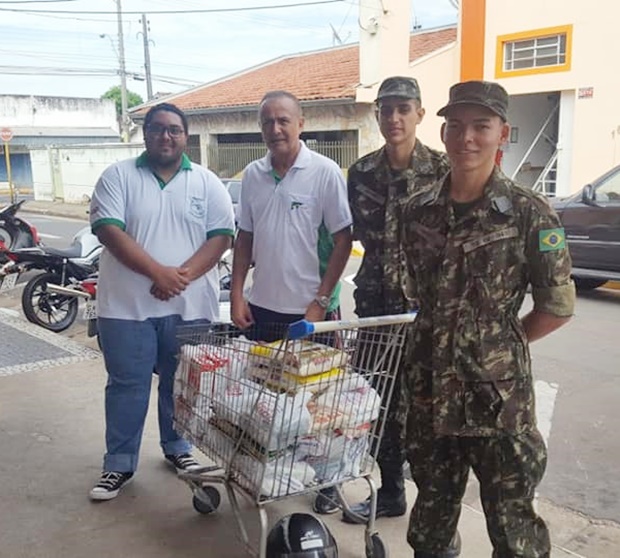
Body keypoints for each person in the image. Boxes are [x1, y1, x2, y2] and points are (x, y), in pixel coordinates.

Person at [400, 81, 576, 557]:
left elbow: (557, 306)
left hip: (497, 403)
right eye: (455, 126)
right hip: (428, 395)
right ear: (443, 132)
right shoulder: (418, 210)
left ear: (503, 132)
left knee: (514, 529)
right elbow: (416, 292)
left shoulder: (529, 214)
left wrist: (498, 345)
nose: (467, 138)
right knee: (430, 527)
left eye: (481, 126)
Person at [88, 102, 235, 501]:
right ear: (145, 133)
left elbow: (221, 237)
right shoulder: (118, 176)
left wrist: (178, 277)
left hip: (190, 308)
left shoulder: (207, 182)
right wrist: (159, 273)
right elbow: (109, 231)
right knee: (126, 386)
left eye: (174, 129)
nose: (165, 136)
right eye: (157, 129)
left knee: (182, 384)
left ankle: (179, 449)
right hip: (125, 308)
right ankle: (118, 464)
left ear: (185, 136)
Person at [230, 90, 353, 514]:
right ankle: (274, 475)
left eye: (284, 120)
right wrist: (236, 292)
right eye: (268, 122)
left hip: (311, 315)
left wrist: (321, 301)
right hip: (263, 308)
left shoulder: (324, 172)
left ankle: (329, 481)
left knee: (323, 407)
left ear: (301, 124)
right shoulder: (252, 175)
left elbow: (343, 240)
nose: (276, 129)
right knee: (268, 400)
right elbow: (244, 237)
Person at [342, 76, 449, 524]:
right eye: (386, 109)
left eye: (404, 108)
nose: (394, 118)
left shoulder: (445, 171)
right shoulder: (361, 173)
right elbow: (353, 238)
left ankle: (433, 508)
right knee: (377, 402)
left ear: (420, 113)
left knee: (428, 411)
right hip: (374, 309)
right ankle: (390, 492)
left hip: (426, 315)